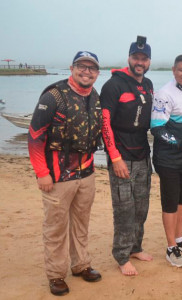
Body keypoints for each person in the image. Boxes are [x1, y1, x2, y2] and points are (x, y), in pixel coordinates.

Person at [28, 51, 102, 296]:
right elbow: (35, 136)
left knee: (81, 223)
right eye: (82, 66)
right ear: (72, 68)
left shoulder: (95, 96)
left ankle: (81, 264)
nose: (86, 71)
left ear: (97, 73)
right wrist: (41, 172)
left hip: (87, 172)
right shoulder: (53, 97)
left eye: (91, 68)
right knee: (56, 227)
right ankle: (56, 275)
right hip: (57, 176)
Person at [100, 36, 153, 276]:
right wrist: (115, 157)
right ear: (129, 58)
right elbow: (105, 124)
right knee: (124, 208)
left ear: (149, 61)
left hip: (143, 154)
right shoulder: (114, 85)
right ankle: (121, 256)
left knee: (141, 206)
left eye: (144, 58)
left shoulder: (148, 84)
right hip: (121, 156)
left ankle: (135, 247)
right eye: (136, 58)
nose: (139, 62)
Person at [151, 54, 182, 267]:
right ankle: (171, 247)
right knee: (170, 203)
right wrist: (181, 144)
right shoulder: (164, 94)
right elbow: (157, 128)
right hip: (168, 158)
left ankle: (179, 239)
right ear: (174, 70)